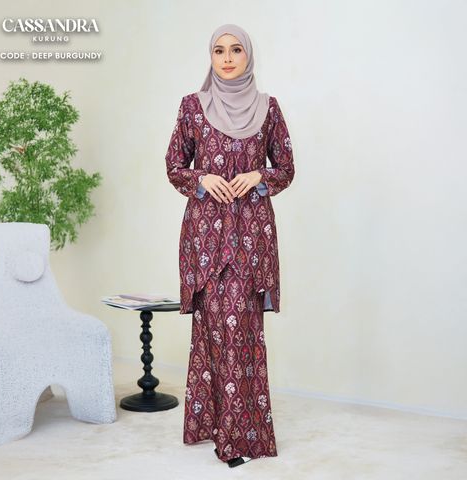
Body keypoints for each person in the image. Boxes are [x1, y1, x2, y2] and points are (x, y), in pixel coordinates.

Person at [165, 23, 294, 468]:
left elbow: (286, 168)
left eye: (236, 50)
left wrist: (260, 175)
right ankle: (216, 427)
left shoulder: (268, 108)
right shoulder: (192, 107)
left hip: (252, 238)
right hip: (205, 237)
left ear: (248, 56)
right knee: (211, 331)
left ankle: (239, 436)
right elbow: (174, 166)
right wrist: (202, 178)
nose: (226, 58)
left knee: (242, 332)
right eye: (219, 50)